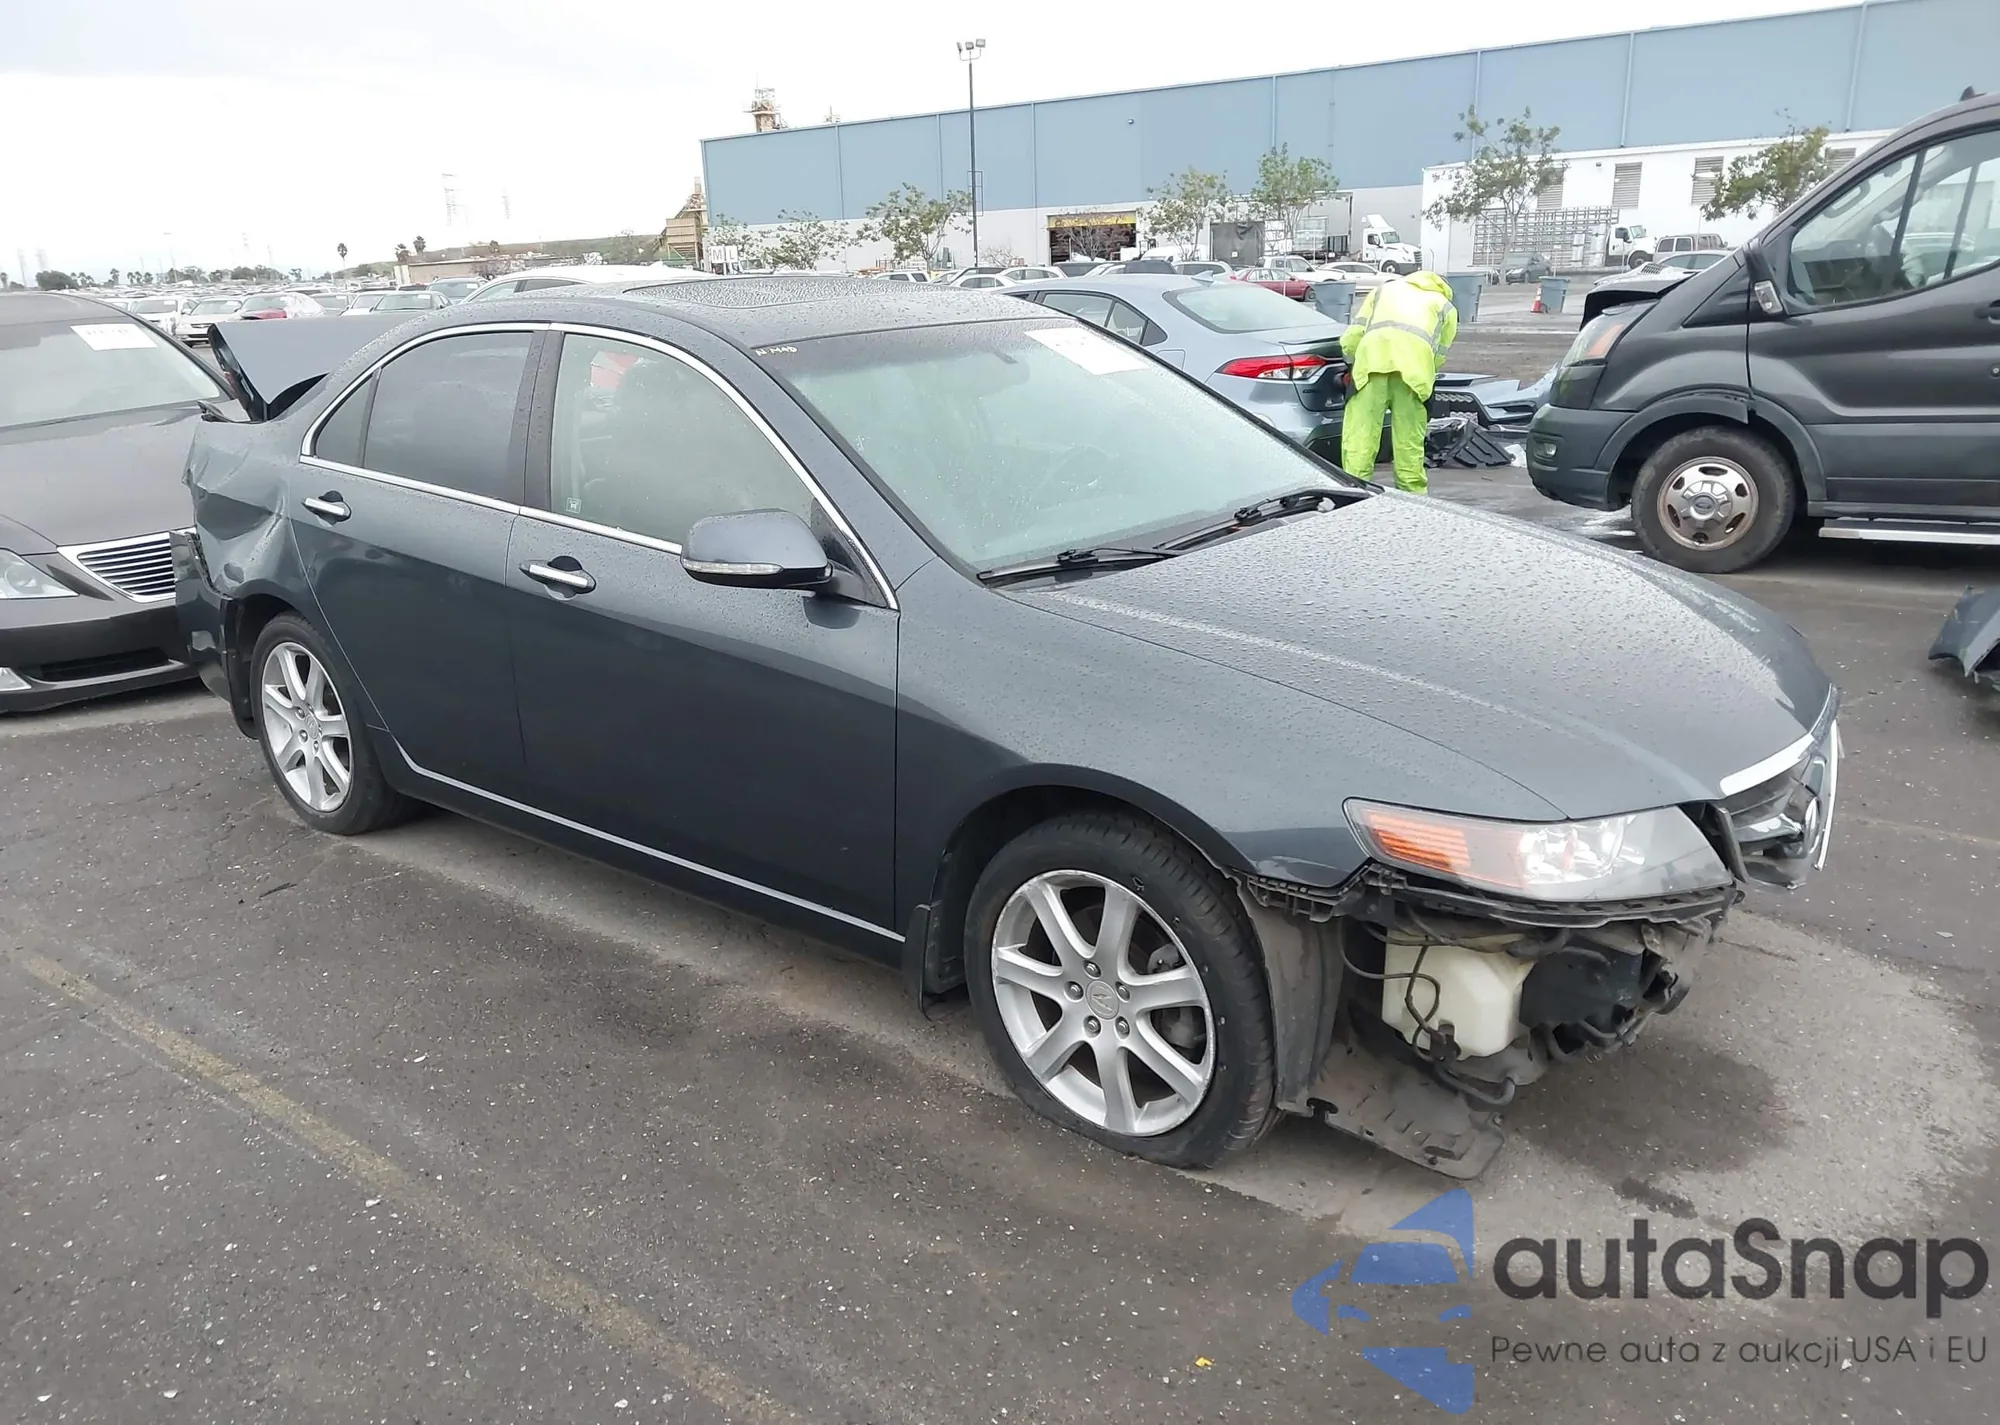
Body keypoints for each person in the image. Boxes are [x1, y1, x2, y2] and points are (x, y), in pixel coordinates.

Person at [1337, 270, 1458, 494]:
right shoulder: (1445, 306)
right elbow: (1439, 355)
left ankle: (1354, 495)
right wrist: (1426, 373)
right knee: (1409, 445)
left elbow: (1353, 335)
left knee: (1360, 440)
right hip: (1413, 377)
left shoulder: (1384, 290)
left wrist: (1350, 364)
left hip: (1371, 368)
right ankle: (1414, 500)